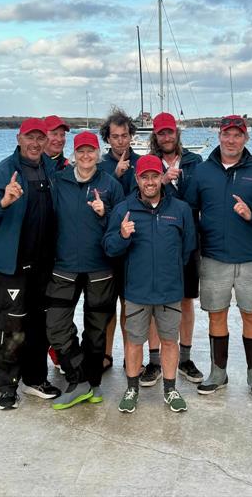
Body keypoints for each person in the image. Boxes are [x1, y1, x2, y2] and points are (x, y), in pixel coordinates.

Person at [184, 115, 252, 399]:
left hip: (249, 258)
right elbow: (188, 211)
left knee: (250, 315)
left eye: (237, 135)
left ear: (246, 138)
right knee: (217, 316)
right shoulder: (202, 172)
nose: (231, 140)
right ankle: (219, 372)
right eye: (227, 135)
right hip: (214, 257)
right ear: (219, 136)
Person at [0, 118, 61, 410]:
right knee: (13, 327)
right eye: (30, 138)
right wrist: (3, 202)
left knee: (39, 324)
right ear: (19, 138)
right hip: (13, 264)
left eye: (40, 138)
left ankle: (35, 378)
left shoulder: (50, 168)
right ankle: (7, 385)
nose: (35, 144)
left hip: (44, 264)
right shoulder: (4, 170)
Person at [104, 155, 196, 413]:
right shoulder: (124, 209)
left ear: (162, 178)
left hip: (169, 291)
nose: (150, 181)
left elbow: (187, 249)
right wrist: (122, 236)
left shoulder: (180, 210)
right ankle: (132, 388)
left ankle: (170, 389)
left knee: (169, 340)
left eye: (155, 176)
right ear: (137, 179)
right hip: (137, 291)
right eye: (144, 177)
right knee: (134, 341)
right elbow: (109, 247)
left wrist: (170, 272)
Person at [45, 131, 125, 409]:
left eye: (91, 151)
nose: (86, 156)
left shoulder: (110, 184)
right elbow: (47, 219)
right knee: (55, 325)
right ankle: (77, 377)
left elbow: (120, 228)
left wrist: (105, 214)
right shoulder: (58, 181)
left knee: (96, 331)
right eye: (81, 151)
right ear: (74, 154)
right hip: (63, 266)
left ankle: (93, 384)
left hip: (99, 269)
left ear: (98, 153)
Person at [145, 112, 204, 386]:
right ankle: (155, 361)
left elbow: (204, 197)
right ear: (155, 136)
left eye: (169, 132)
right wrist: (164, 181)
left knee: (185, 300)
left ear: (177, 133)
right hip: (157, 240)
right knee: (157, 301)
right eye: (161, 133)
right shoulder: (148, 164)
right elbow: (139, 198)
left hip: (189, 239)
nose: (166, 137)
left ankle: (185, 357)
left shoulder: (195, 161)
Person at [99, 108, 141, 372]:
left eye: (124, 135)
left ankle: (130, 355)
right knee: (106, 307)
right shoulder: (100, 165)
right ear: (108, 138)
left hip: (135, 245)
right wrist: (115, 175)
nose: (120, 141)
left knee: (130, 306)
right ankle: (105, 354)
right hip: (106, 243)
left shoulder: (142, 162)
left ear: (131, 136)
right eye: (115, 136)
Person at [43, 114, 71, 371]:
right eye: (54, 133)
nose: (60, 139)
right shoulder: (26, 164)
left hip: (61, 249)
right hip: (33, 248)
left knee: (60, 308)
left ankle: (60, 352)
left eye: (63, 135)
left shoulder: (68, 167)